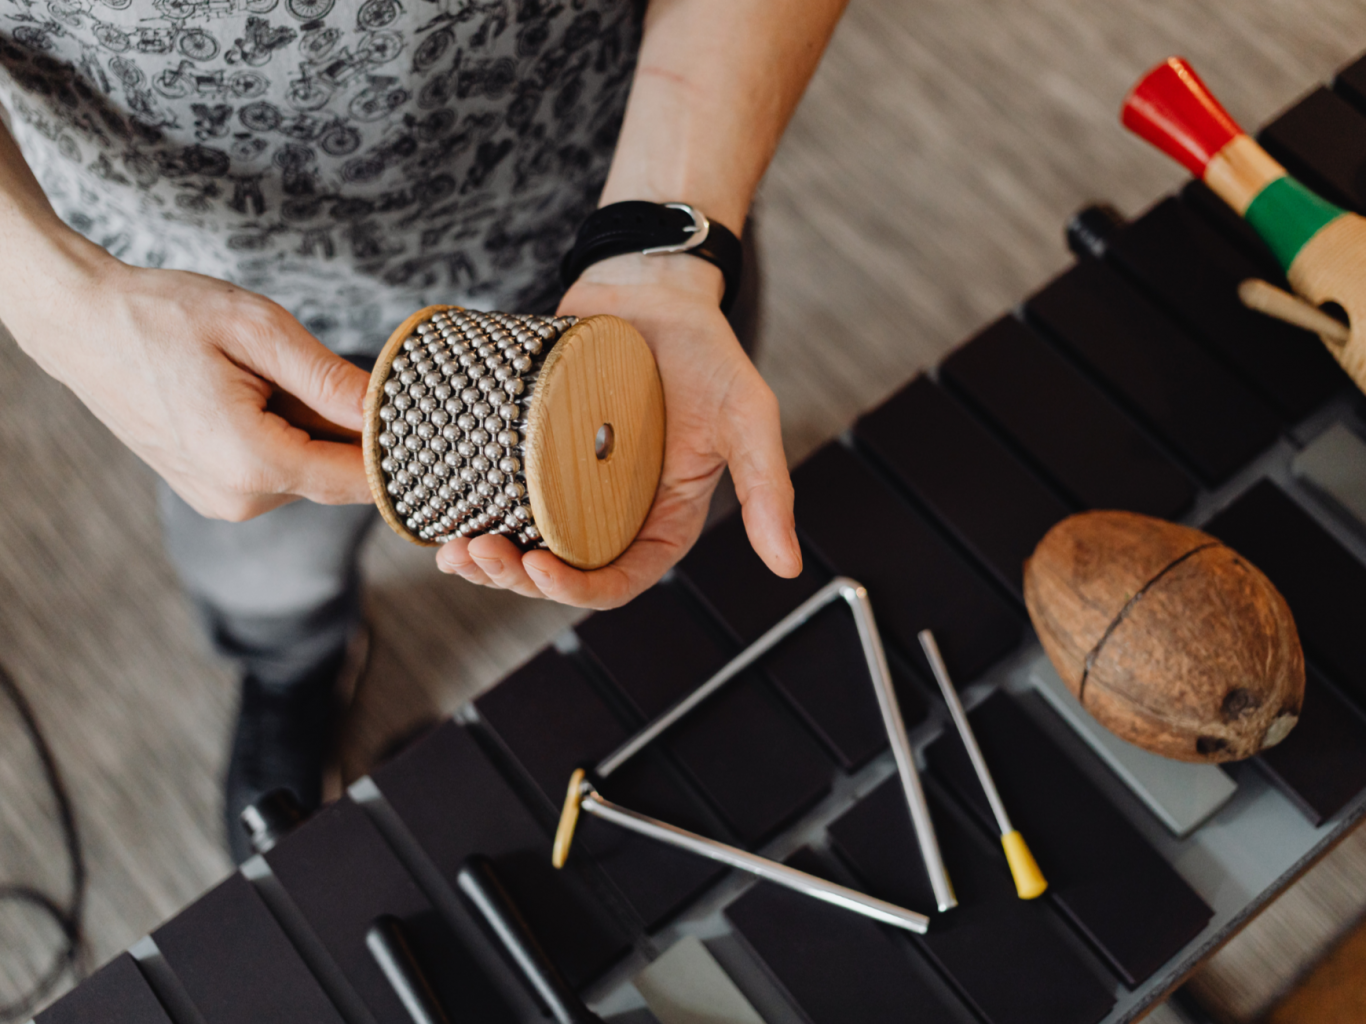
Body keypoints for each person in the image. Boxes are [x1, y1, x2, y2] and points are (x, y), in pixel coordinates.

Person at [0, 0, 847, 861]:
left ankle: (677, 635)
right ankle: (292, 668)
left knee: (660, 497)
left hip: (616, 204)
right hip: (199, 300)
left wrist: (661, 248)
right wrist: (59, 299)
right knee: (261, 560)